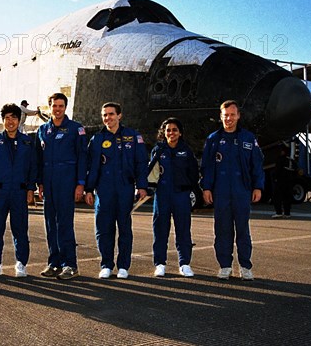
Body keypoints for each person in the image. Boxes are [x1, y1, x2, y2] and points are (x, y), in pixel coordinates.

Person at [201, 100, 264, 281]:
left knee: (243, 230)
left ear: (238, 116)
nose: (229, 118)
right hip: (220, 192)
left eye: (232, 115)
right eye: (225, 115)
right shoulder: (213, 139)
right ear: (221, 117)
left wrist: (258, 186)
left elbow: (257, 165)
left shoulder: (248, 138)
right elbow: (207, 167)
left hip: (242, 191)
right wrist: (206, 187)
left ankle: (245, 266)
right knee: (222, 230)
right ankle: (225, 266)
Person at [84, 102, 148, 279]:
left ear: (119, 115)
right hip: (103, 190)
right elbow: (91, 167)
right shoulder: (96, 140)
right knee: (103, 228)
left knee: (125, 228)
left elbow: (141, 163)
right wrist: (89, 189)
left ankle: (123, 266)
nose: (107, 118)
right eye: (104, 115)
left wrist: (141, 186)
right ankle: (106, 264)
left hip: (125, 188)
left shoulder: (133, 137)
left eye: (111, 114)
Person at [36, 92, 87, 280]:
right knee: (50, 225)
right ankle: (54, 263)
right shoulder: (43, 130)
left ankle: (70, 265)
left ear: (65, 108)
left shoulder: (76, 129)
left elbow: (82, 157)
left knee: (65, 224)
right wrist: (40, 183)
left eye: (61, 106)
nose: (57, 109)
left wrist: (80, 184)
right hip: (48, 184)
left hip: (67, 183)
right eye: (54, 106)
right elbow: (39, 160)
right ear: (49, 107)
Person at [0, 103, 37, 278]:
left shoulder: (27, 142)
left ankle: (21, 263)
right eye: (7, 118)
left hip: (19, 192)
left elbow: (32, 168)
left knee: (20, 229)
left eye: (14, 117)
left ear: (19, 120)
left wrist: (30, 189)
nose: (10, 121)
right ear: (3, 120)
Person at [149, 118, 199, 278]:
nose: (171, 133)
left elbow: (193, 173)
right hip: (162, 195)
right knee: (160, 230)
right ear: (163, 132)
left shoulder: (186, 151)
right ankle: (160, 264)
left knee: (183, 230)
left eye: (174, 130)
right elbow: (151, 170)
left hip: (181, 195)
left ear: (180, 132)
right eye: (168, 130)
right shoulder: (158, 150)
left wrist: (189, 189)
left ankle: (184, 264)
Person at [272, 147, 296, 219]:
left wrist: (274, 178)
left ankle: (279, 212)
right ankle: (287, 213)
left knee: (277, 196)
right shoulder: (291, 160)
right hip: (289, 181)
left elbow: (277, 169)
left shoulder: (281, 159)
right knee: (287, 197)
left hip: (280, 181)